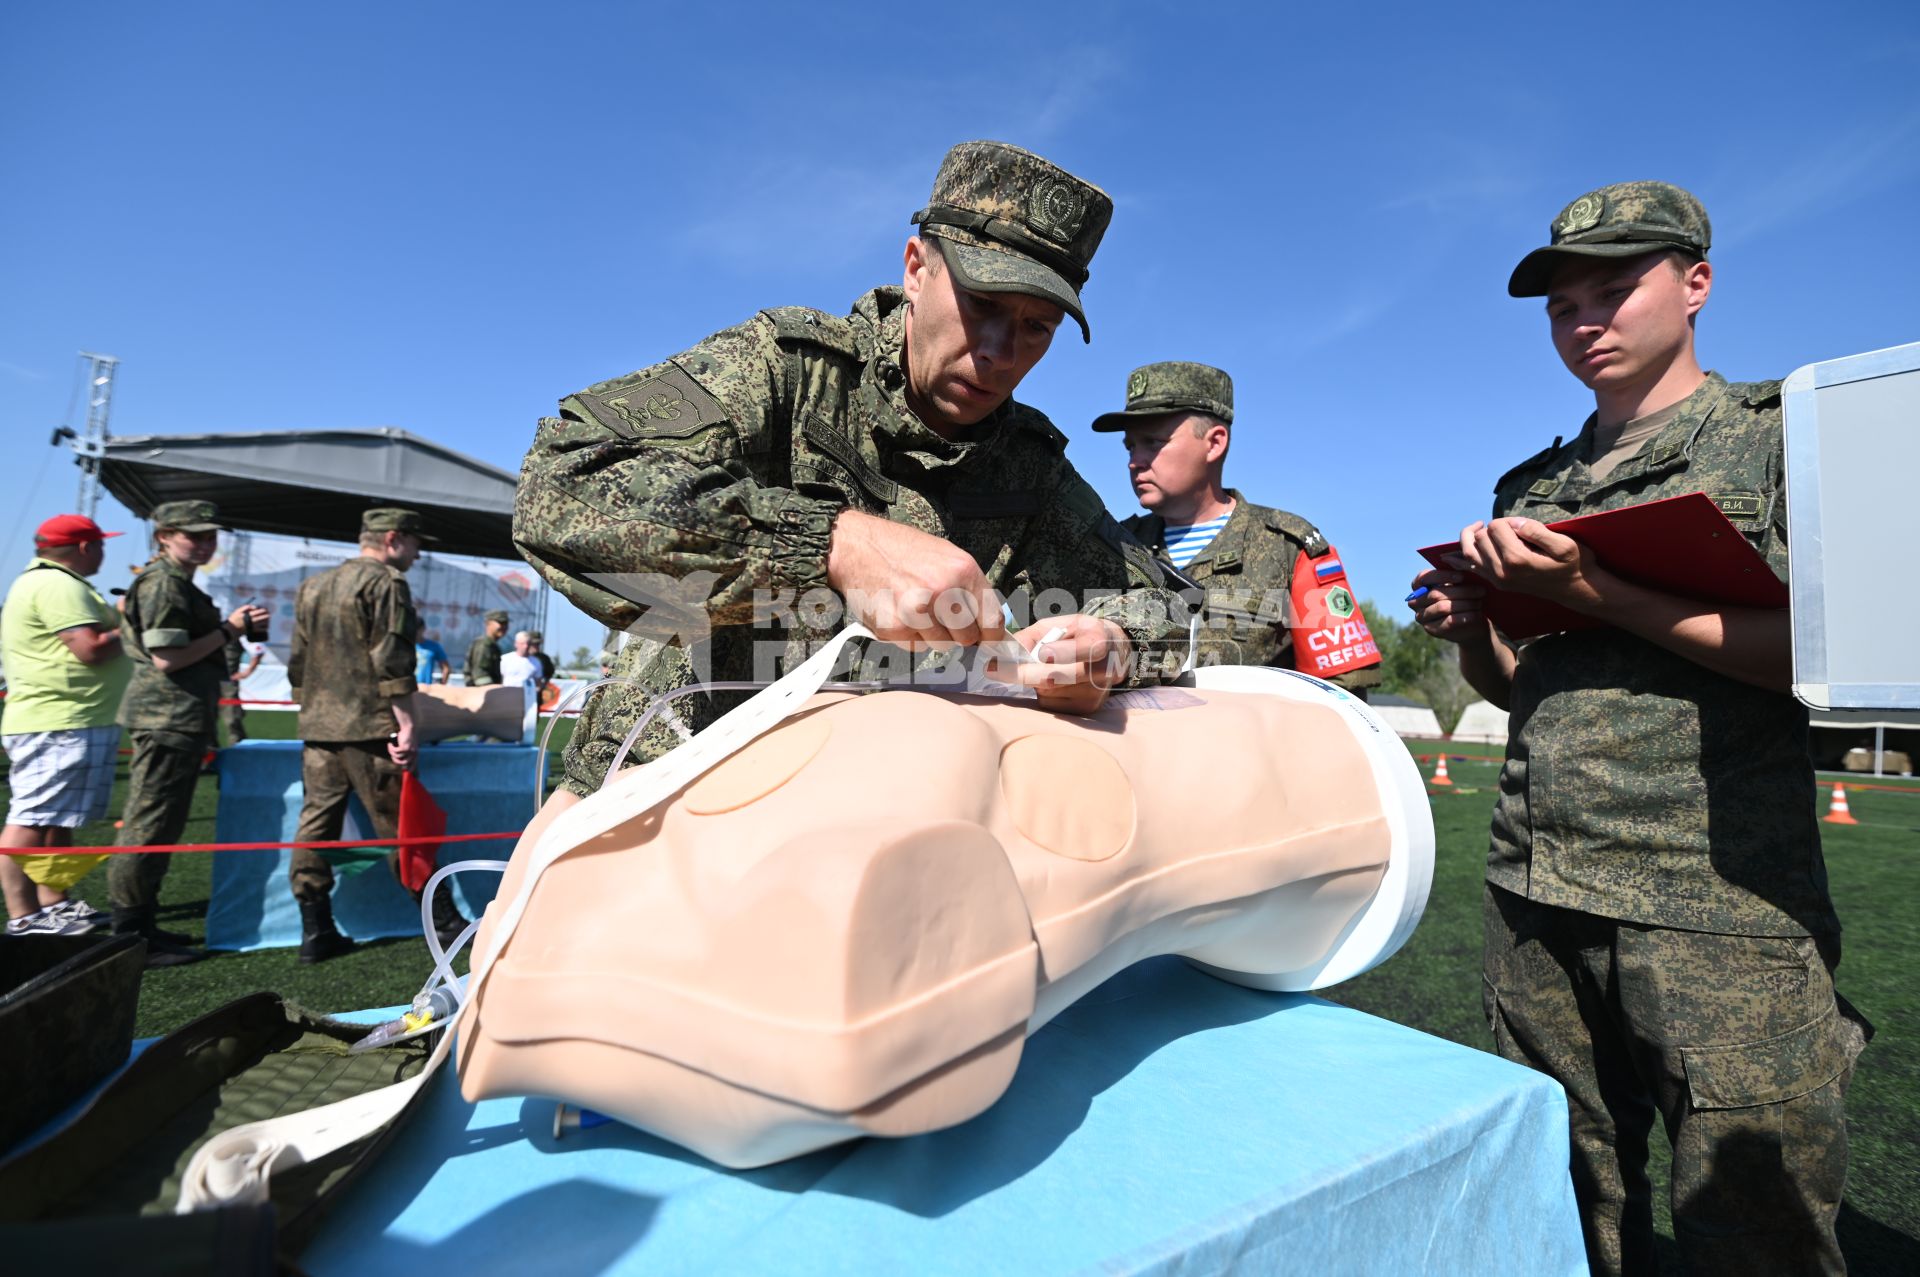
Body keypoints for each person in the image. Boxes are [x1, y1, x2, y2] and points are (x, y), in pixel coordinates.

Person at [1407, 181, 1870, 1275]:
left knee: (1756, 1227)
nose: (1586, 323)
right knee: (1566, 1206)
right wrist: (1476, 629)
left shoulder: (1774, 442)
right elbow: (1525, 687)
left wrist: (1599, 589)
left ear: (1697, 282)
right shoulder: (1535, 483)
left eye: (1615, 290)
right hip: (1537, 886)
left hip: (1715, 901)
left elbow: (1823, 659)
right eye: (1564, 305)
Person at [515, 139, 1180, 799]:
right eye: (983, 305)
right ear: (916, 268)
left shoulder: (1031, 468)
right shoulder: (790, 374)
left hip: (877, 829)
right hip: (671, 798)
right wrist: (830, 545)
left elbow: (1180, 613)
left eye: (1039, 327)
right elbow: (562, 479)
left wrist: (1114, 644)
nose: (1000, 354)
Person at [1095, 362, 1382, 694]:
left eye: (1153, 443)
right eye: (1130, 446)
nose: (1135, 460)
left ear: (1215, 443)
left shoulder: (1287, 547)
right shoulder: (1116, 545)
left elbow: (1341, 694)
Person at [288, 507, 463, 962]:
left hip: (319, 727)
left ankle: (315, 929)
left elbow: (298, 664)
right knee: (400, 826)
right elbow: (393, 662)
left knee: (315, 824)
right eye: (414, 542)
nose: (418, 553)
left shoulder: (313, 585)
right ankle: (443, 924)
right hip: (371, 727)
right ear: (392, 539)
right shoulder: (386, 583)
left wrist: (315, 710)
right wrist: (407, 724)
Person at [111, 501, 269, 965]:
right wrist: (228, 629)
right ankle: (129, 936)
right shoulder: (163, 583)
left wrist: (229, 630)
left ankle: (141, 927)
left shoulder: (174, 581)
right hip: (166, 716)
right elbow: (168, 658)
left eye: (209, 536)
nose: (204, 543)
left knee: (160, 824)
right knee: (149, 825)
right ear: (163, 535)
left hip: (176, 716)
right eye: (193, 535)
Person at [1, 515, 130, 937]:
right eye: (100, 544)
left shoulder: (48, 581)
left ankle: (53, 905)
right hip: (59, 721)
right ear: (83, 547)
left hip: (67, 719)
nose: (103, 552)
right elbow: (90, 649)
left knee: (56, 819)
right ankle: (24, 916)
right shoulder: (59, 585)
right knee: (32, 819)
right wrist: (132, 623)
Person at [218, 637, 264, 746]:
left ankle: (237, 746)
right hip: (208, 680)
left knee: (232, 720)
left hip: (228, 683)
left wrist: (247, 672)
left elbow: (258, 650)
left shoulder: (237, 627)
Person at [464, 610, 508, 686]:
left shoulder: (493, 645)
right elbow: (480, 675)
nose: (504, 627)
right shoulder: (484, 644)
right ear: (488, 623)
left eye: (506, 624)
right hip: (481, 693)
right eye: (500, 623)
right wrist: (492, 690)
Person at [413, 618, 451, 685]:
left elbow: (446, 667)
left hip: (427, 688)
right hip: (409, 689)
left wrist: (442, 684)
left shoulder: (433, 646)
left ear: (423, 629)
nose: (415, 633)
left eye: (417, 629)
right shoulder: (406, 646)